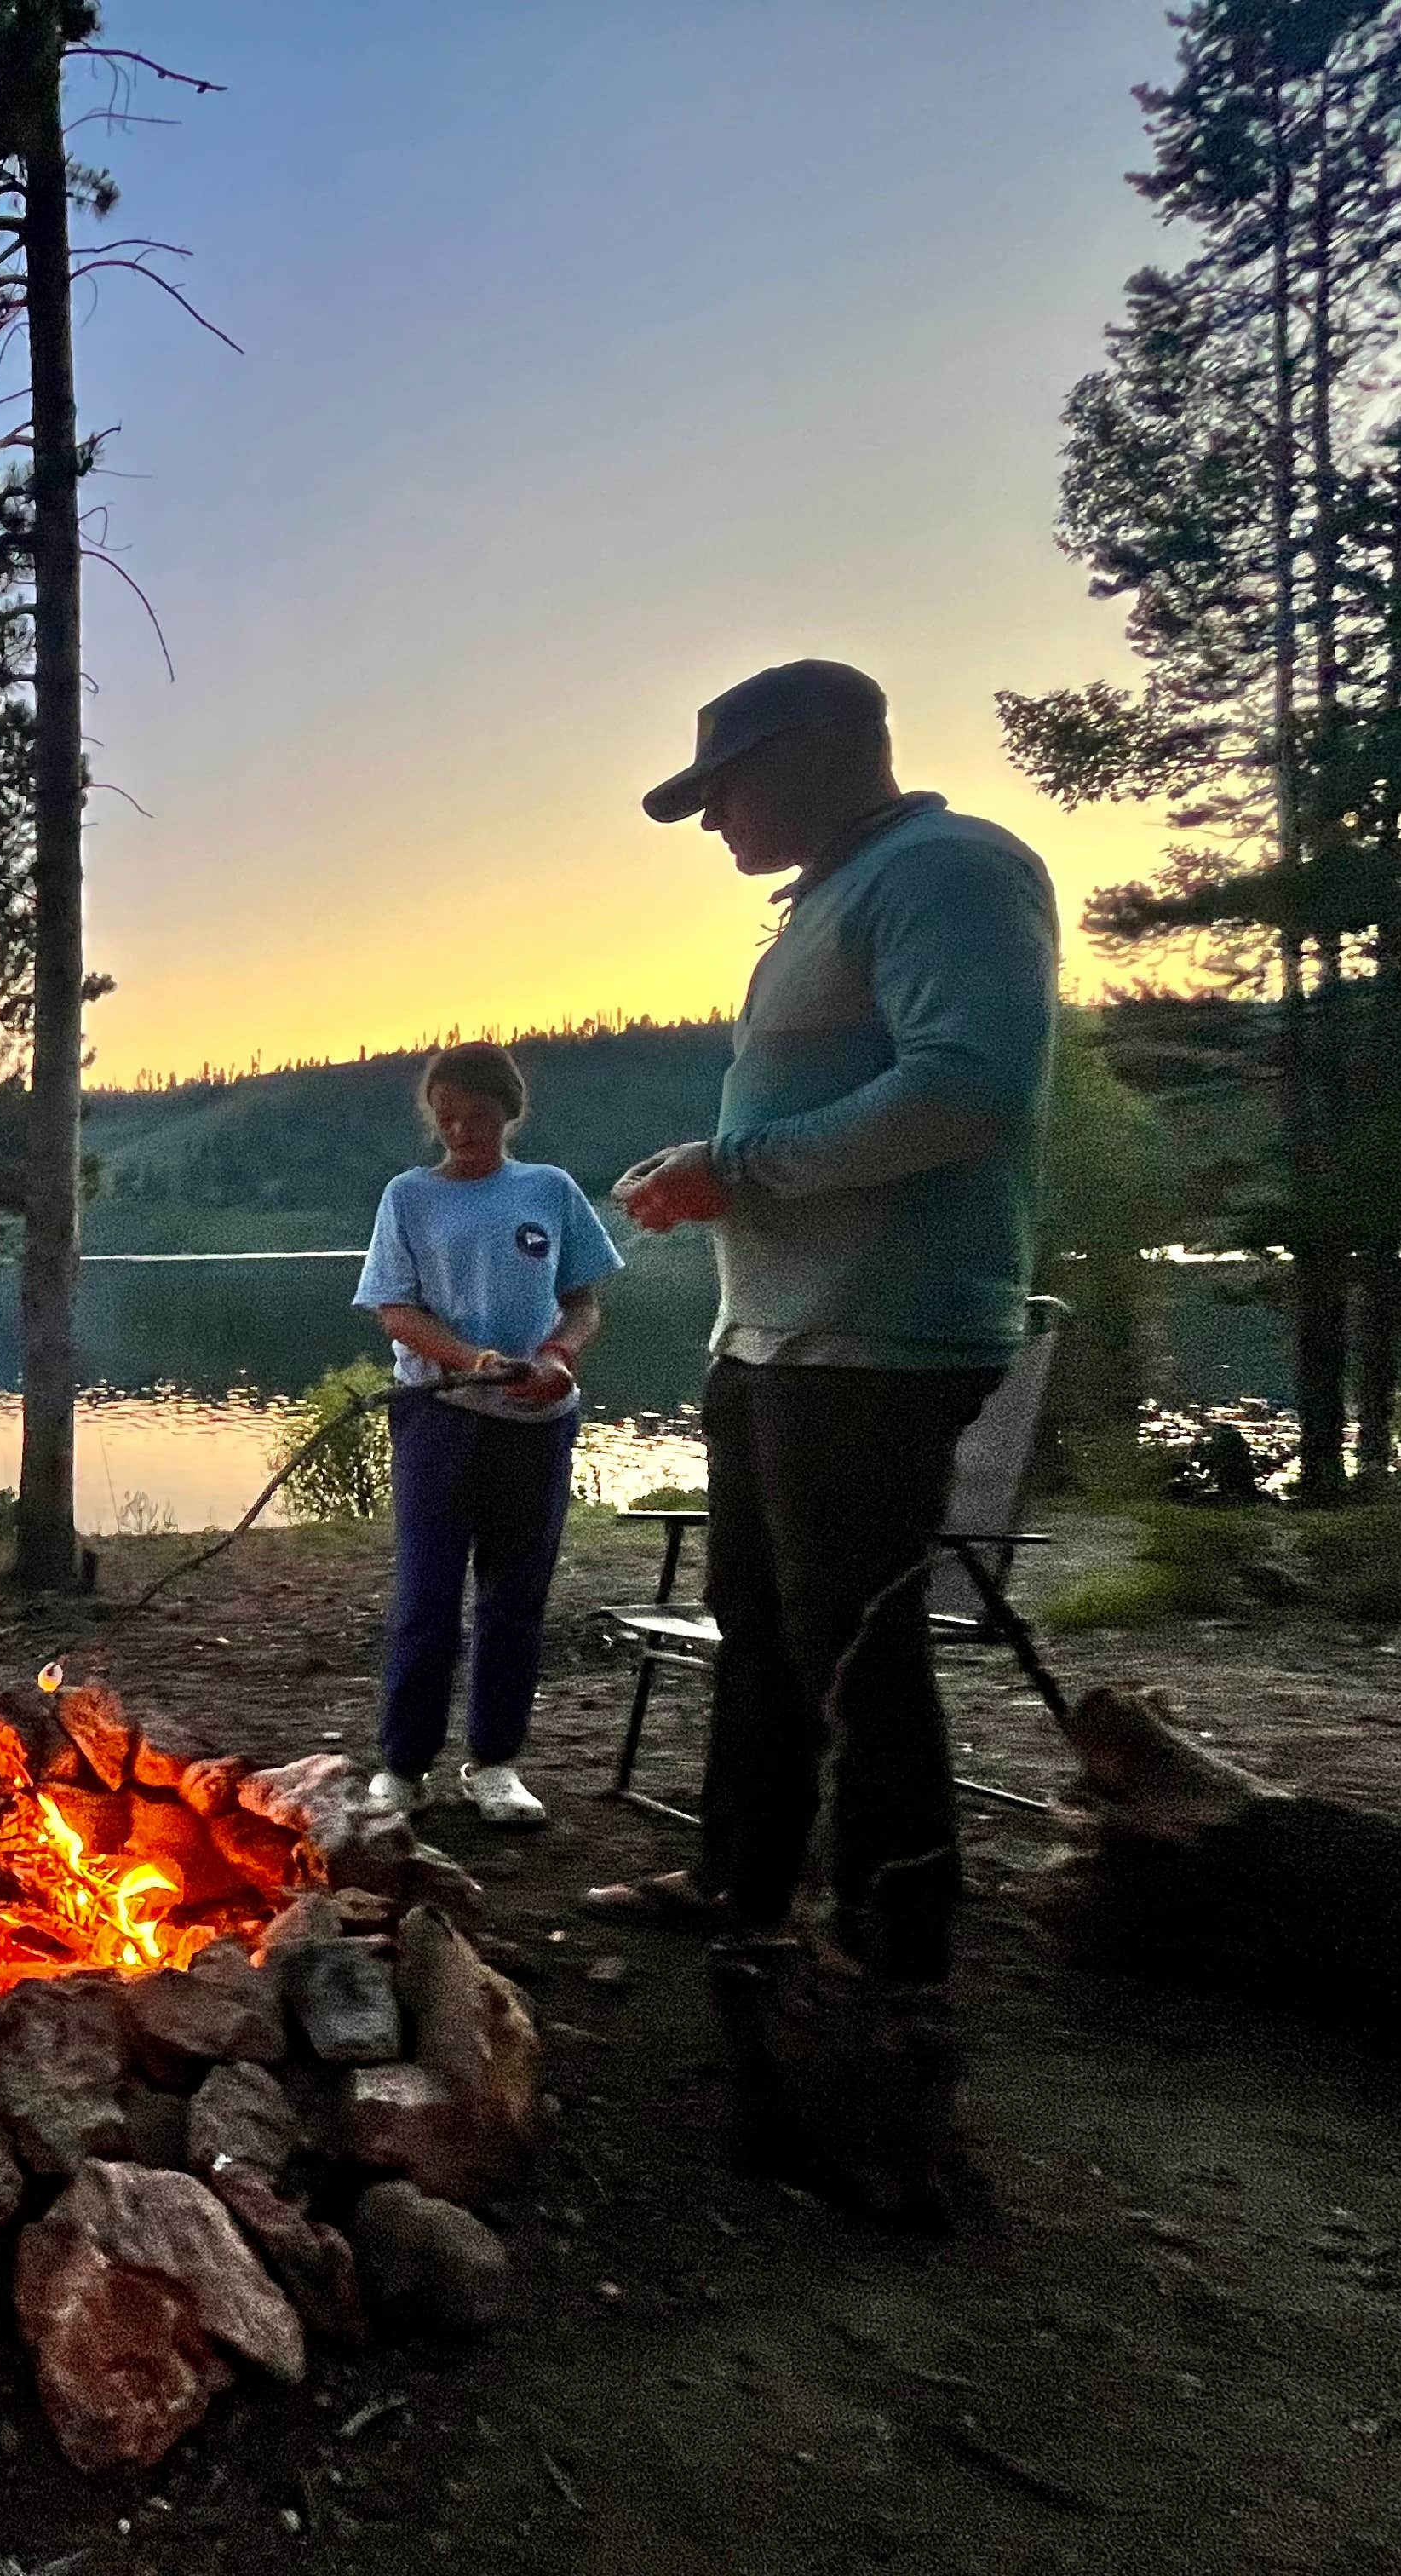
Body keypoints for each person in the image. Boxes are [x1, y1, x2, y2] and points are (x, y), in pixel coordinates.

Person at [602, 659, 1059, 2015]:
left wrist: (740, 1168)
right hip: (781, 1338)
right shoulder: (838, 894)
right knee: (759, 1621)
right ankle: (742, 1880)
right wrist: (721, 1167)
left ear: (811, 754)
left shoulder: (952, 871)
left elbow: (968, 1090)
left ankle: (893, 1931)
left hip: (880, 1339)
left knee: (857, 1641)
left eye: (721, 788)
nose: (710, 823)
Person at [353, 1039, 625, 1830]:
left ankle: (495, 1765)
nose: (463, 1131)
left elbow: (582, 1301)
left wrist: (558, 1354)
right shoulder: (409, 1196)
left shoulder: (551, 1189)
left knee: (515, 1598)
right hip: (441, 1415)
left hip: (538, 1423)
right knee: (427, 1598)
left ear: (510, 1112)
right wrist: (471, 1358)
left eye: (478, 1116)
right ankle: (404, 1769)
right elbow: (395, 1311)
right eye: (448, 1118)